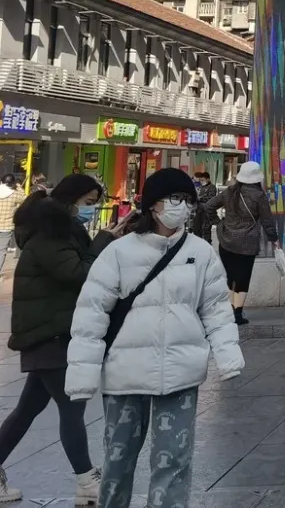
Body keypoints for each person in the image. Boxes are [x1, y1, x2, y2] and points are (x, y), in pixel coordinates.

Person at [67, 169, 244, 508]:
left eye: (188, 200)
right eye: (175, 198)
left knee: (174, 460)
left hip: (180, 373)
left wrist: (228, 355)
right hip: (125, 373)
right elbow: (91, 314)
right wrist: (81, 375)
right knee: (118, 459)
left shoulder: (200, 252)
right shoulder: (119, 253)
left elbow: (216, 308)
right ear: (152, 204)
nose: (182, 206)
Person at [0, 175, 111, 504]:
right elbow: (78, 273)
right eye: (88, 203)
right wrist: (103, 241)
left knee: (28, 409)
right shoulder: (51, 233)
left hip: (50, 329)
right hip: (50, 332)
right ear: (71, 199)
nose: (91, 210)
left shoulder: (58, 229)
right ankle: (87, 481)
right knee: (71, 405)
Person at [203, 160, 281, 326]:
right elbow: (267, 221)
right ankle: (237, 314)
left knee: (230, 276)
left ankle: (228, 311)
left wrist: (218, 223)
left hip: (226, 241)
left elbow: (208, 206)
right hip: (247, 243)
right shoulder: (259, 196)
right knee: (242, 278)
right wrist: (274, 239)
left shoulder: (230, 191)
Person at [0, 174, 25, 270]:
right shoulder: (15, 194)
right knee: (1, 250)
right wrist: (19, 187)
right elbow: (25, 199)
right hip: (6, 227)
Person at [191, 170, 218, 242]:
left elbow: (211, 198)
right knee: (196, 228)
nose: (201, 181)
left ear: (208, 179)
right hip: (199, 210)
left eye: (203, 180)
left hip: (207, 211)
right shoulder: (201, 187)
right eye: (201, 180)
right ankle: (198, 242)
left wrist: (200, 198)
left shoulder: (212, 187)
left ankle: (207, 243)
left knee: (206, 228)